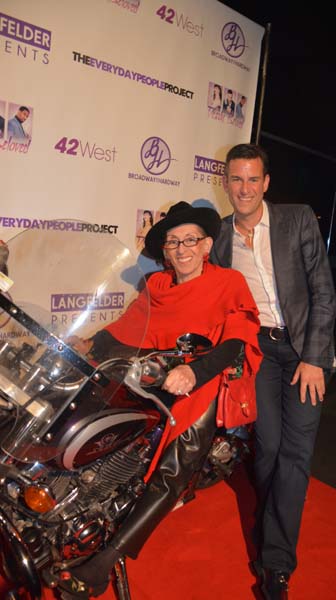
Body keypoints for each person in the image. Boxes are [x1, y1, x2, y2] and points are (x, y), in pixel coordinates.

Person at [58, 201, 262, 599]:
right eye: (173, 242)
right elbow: (128, 329)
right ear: (165, 251)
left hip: (202, 378)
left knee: (178, 457)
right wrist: (88, 344)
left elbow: (237, 339)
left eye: (190, 240)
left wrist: (195, 372)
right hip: (151, 374)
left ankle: (104, 563)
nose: (182, 249)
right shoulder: (156, 286)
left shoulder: (228, 281)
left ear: (206, 246)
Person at [210, 144, 336, 600]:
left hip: (303, 349)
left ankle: (275, 565)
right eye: (236, 179)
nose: (244, 189)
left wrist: (315, 358)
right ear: (225, 183)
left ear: (265, 183)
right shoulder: (219, 238)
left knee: (295, 456)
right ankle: (274, 515)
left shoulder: (297, 219)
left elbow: (323, 292)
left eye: (252, 180)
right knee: (266, 451)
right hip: (258, 353)